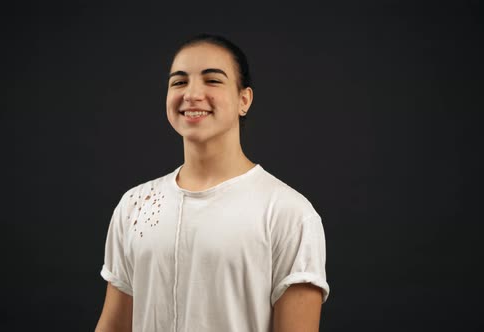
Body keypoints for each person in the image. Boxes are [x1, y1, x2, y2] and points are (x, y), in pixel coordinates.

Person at [95, 33, 330, 332]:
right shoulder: (135, 205)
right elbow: (114, 326)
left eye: (212, 80)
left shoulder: (288, 213)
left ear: (244, 99)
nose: (192, 94)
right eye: (179, 82)